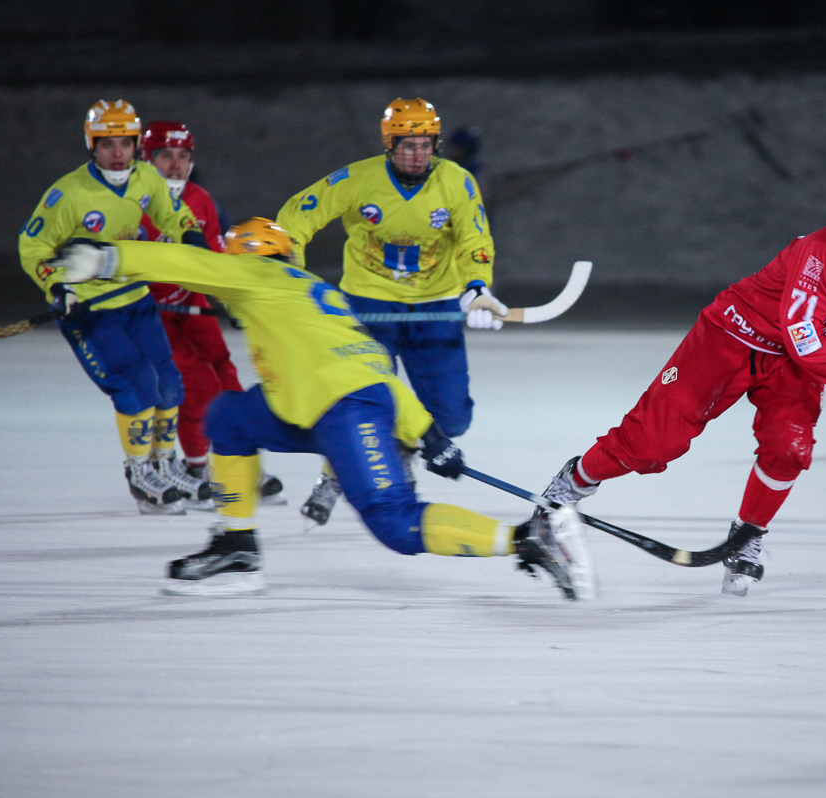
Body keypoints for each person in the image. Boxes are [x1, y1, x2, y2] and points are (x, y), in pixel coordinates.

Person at [47, 219, 594, 601]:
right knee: (229, 418)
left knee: (396, 524)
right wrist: (429, 436)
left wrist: (107, 258)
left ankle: (523, 539)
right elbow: (375, 368)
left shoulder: (258, 276)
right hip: (327, 403)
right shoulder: (310, 291)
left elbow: (189, 263)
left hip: (345, 412)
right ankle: (237, 545)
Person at [536, 169, 826, 596]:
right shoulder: (823, 252)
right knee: (654, 445)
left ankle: (747, 536)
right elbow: (804, 334)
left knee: (789, 451)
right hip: (731, 337)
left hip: (792, 363)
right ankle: (570, 485)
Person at [277, 98, 501, 528]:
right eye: (407, 145)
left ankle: (399, 448)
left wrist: (476, 288)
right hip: (368, 304)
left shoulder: (457, 182)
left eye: (425, 145)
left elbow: (476, 239)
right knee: (363, 396)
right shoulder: (358, 179)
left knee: (453, 418)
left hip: (434, 306)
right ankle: (338, 474)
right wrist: (287, 272)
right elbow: (297, 216)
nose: (417, 155)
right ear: (388, 145)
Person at [18, 99, 208, 513]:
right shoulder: (68, 193)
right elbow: (32, 245)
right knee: (135, 385)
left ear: (137, 144)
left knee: (169, 383)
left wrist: (190, 233)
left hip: (134, 299)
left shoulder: (145, 178)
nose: (118, 153)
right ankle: (140, 473)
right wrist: (56, 287)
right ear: (92, 146)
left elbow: (172, 213)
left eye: (125, 143)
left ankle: (163, 462)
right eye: (107, 144)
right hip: (89, 310)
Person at [138, 120, 285, 508]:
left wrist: (238, 299)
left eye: (183, 156)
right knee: (198, 384)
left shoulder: (200, 199)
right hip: (154, 313)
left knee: (226, 370)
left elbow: (218, 259)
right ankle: (198, 466)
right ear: (146, 159)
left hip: (192, 305)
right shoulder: (131, 202)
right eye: (165, 156)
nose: (175, 165)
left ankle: (238, 459)